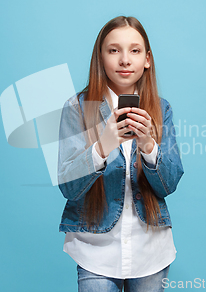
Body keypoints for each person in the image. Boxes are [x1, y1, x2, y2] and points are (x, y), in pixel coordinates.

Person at [57, 16, 184, 292]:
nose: (125, 60)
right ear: (100, 57)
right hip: (95, 250)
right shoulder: (76, 108)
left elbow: (169, 184)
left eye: (135, 50)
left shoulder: (162, 110)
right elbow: (68, 186)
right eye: (114, 50)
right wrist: (103, 146)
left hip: (151, 250)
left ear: (147, 59)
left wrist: (149, 145)